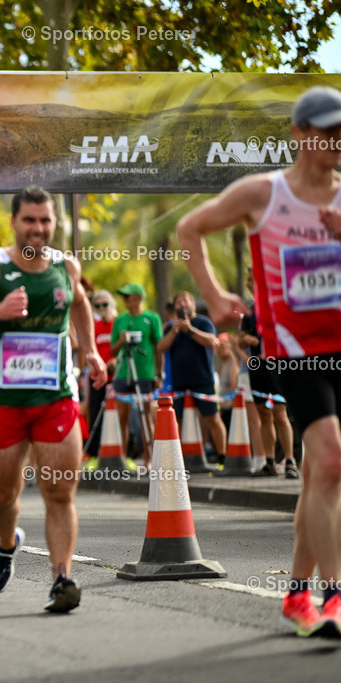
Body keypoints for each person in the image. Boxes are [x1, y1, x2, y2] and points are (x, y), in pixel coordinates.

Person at [176, 85, 341, 637]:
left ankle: (297, 595)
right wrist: (217, 297)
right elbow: (189, 228)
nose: (335, 140)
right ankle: (335, 597)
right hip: (294, 351)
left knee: (321, 474)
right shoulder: (263, 193)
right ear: (298, 134)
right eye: (324, 130)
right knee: (330, 461)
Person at [0, 186, 106, 613]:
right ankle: (5, 543)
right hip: (4, 399)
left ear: (55, 224)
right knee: (3, 494)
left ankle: (62, 578)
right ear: (14, 222)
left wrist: (89, 348)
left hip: (56, 395)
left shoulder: (66, 267)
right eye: (30, 220)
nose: (38, 229)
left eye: (46, 221)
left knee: (59, 492)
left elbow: (81, 304)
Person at [238, 271, 299, 479]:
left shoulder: (276, 302)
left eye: (251, 279)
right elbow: (239, 341)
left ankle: (290, 461)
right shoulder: (248, 309)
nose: (248, 283)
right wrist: (247, 338)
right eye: (247, 280)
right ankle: (269, 462)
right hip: (257, 367)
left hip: (277, 365)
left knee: (280, 414)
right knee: (264, 414)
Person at [157, 291, 229, 467]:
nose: (183, 304)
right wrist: (174, 331)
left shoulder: (203, 322)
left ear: (193, 305)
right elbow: (160, 347)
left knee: (212, 417)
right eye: (179, 301)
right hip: (179, 381)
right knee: (176, 420)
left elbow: (212, 341)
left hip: (203, 379)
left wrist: (190, 330)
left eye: (186, 301)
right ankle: (176, 461)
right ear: (174, 307)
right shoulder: (170, 327)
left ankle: (223, 458)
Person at [109, 283, 162, 466]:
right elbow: (113, 350)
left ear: (138, 298)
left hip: (145, 374)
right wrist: (121, 341)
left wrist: (159, 374)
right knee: (121, 417)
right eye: (122, 296)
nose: (124, 300)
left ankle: (148, 460)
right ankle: (122, 460)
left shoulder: (152, 318)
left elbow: (158, 347)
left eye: (127, 296)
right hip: (123, 372)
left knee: (145, 416)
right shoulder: (119, 320)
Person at [85, 291, 117, 460]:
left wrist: (115, 361)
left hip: (117, 376)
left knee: (118, 414)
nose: (102, 309)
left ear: (112, 305)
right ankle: (94, 454)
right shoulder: (93, 326)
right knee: (95, 412)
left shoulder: (118, 324)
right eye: (97, 306)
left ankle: (121, 452)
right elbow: (88, 350)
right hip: (98, 376)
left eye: (105, 304)